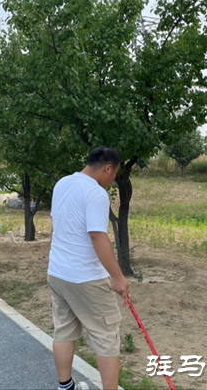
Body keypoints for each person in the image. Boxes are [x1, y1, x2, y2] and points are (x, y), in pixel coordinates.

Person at [48, 147, 129, 390]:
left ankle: (65, 386)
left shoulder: (62, 183)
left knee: (63, 329)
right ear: (107, 168)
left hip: (58, 272)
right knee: (106, 337)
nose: (113, 180)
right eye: (114, 174)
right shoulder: (96, 193)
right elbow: (97, 236)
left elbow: (56, 226)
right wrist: (118, 277)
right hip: (86, 278)